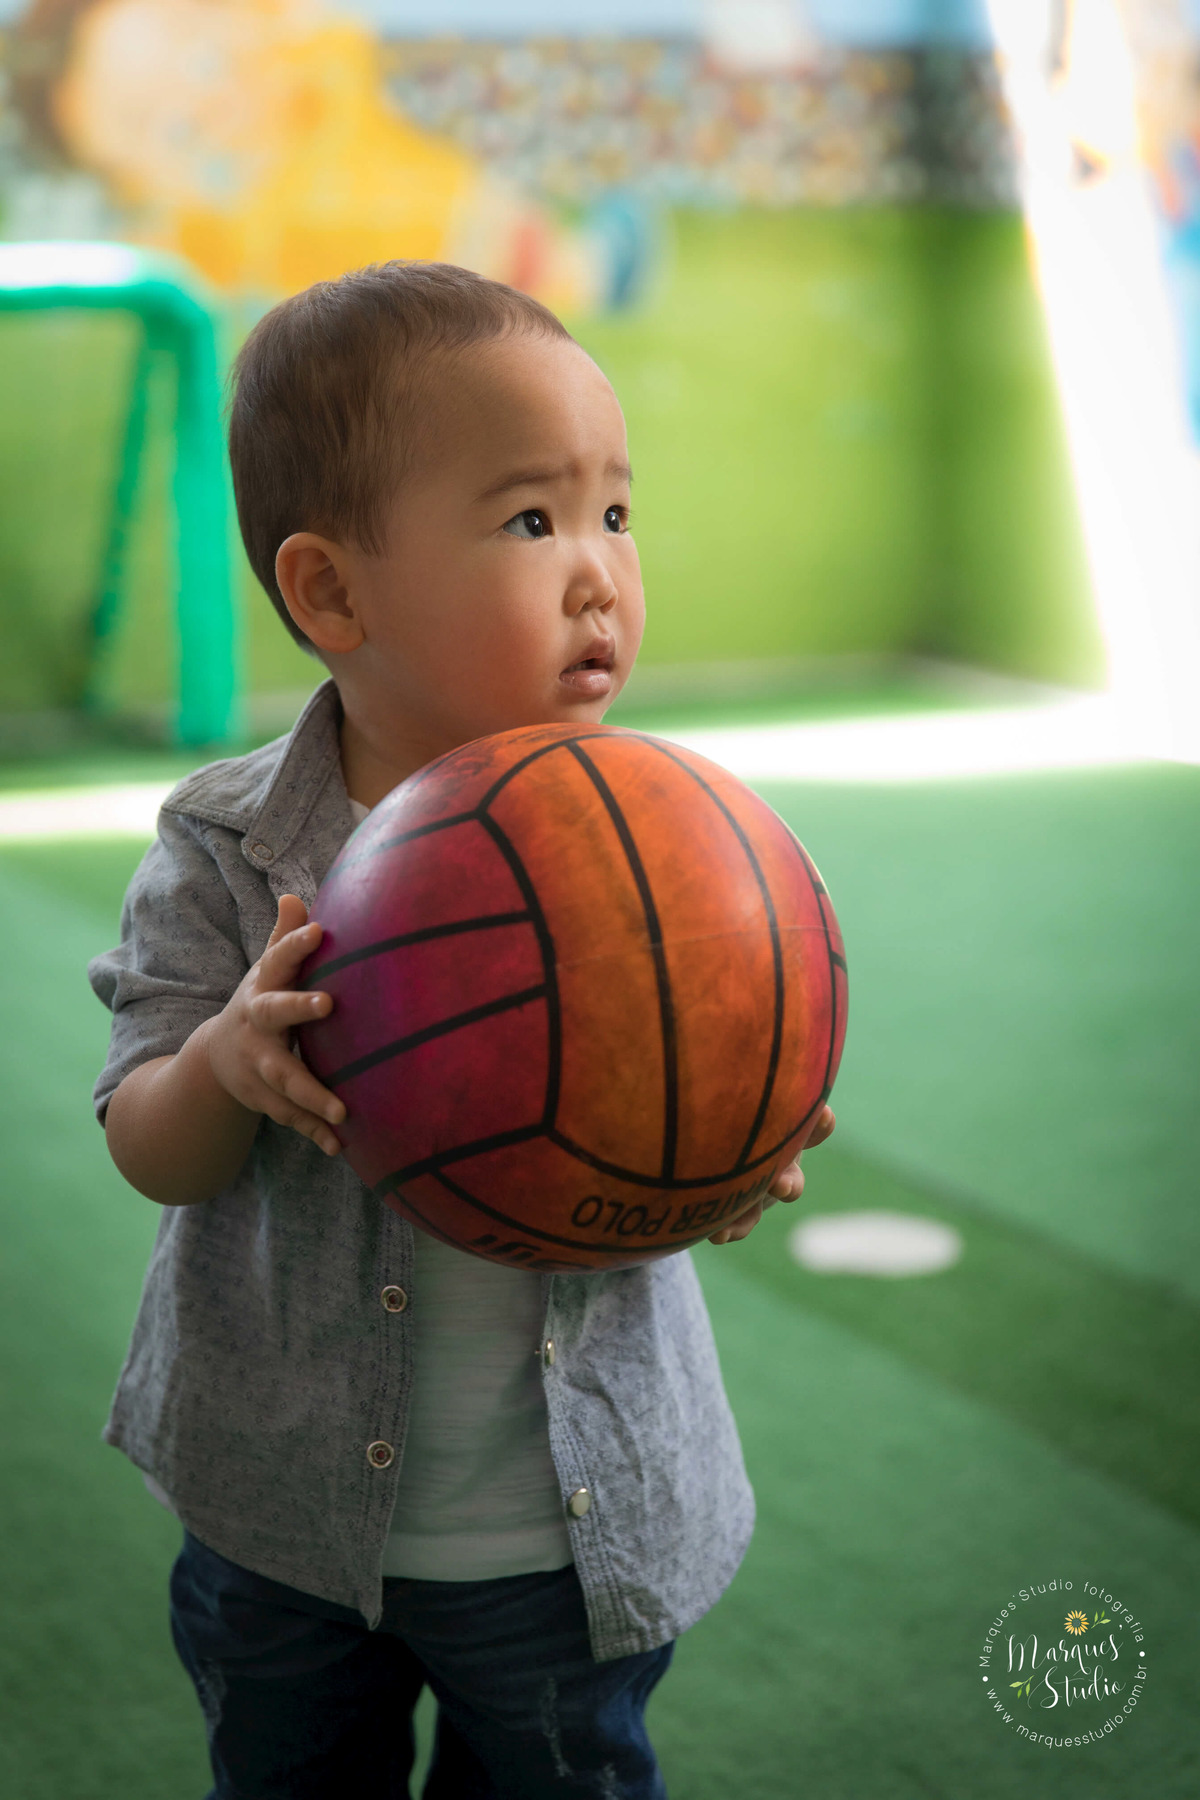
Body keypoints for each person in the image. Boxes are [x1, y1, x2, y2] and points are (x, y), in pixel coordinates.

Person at [88, 261, 836, 1800]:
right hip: (282, 1525)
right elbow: (147, 1143)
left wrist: (728, 1149)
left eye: (615, 514)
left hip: (566, 1546)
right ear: (331, 593)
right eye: (530, 520)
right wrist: (227, 1061)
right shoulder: (229, 848)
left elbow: (693, 1105)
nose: (598, 574)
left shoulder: (674, 854)